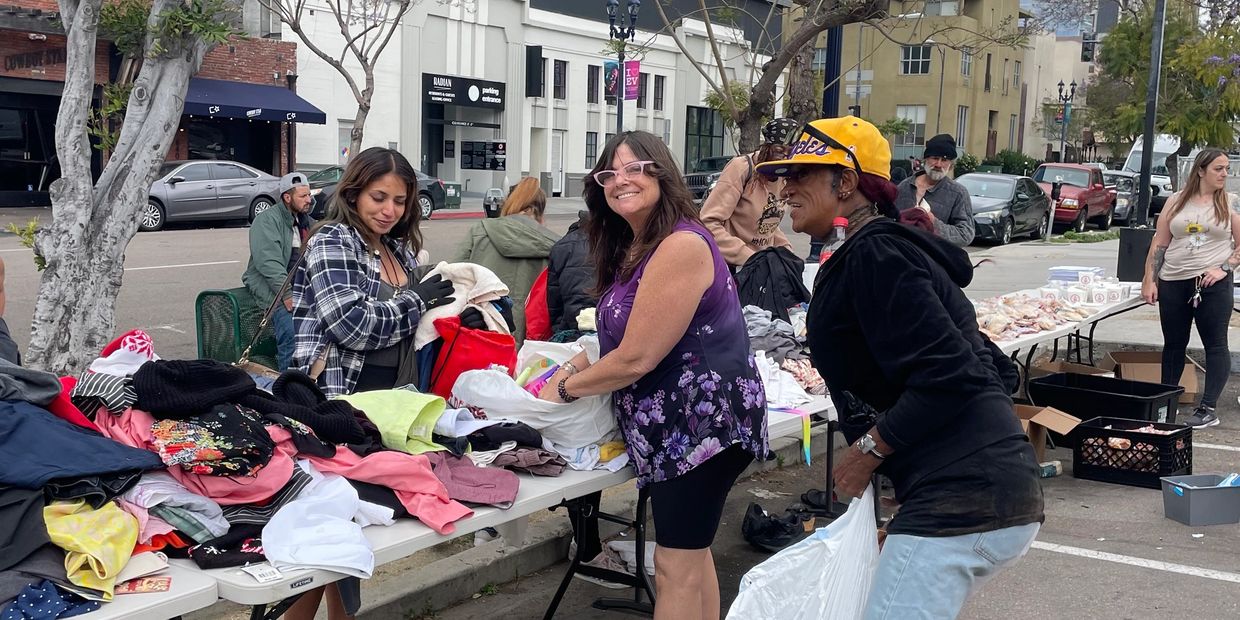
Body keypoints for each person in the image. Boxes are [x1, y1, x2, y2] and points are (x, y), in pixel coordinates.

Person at [757, 117, 1042, 618]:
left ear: (846, 182)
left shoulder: (878, 254)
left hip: (965, 500)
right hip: (973, 492)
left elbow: (954, 375)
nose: (786, 189)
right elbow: (997, 371)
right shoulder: (879, 250)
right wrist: (915, 485)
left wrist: (869, 451)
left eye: (801, 174)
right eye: (784, 177)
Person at [535, 131, 768, 620]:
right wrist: (573, 365)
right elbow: (622, 337)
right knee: (692, 555)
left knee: (672, 567)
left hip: (702, 425)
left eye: (634, 168)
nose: (621, 180)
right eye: (609, 173)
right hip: (678, 428)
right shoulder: (639, 244)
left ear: (661, 173)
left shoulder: (680, 244)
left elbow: (636, 357)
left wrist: (562, 390)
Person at [290, 146, 457, 398]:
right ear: (353, 194)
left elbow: (418, 326)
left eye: (399, 201)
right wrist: (418, 300)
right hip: (342, 396)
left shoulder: (398, 251)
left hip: (398, 396)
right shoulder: (333, 240)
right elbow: (348, 325)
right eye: (379, 198)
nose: (389, 210)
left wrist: (460, 315)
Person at [1141, 148, 1239, 429]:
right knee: (1173, 344)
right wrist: (1149, 279)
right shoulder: (1176, 201)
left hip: (1211, 284)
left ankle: (1208, 408)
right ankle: (1166, 404)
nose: (1224, 174)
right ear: (1200, 170)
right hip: (1174, 280)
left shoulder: (1230, 202)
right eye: (1218, 169)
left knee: (1215, 344)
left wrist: (1224, 268)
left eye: (1227, 168)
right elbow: (1159, 243)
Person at [453, 177, 559, 343]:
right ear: (540, 210)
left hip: (480, 334)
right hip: (532, 345)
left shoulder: (480, 231)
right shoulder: (556, 246)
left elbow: (453, 279)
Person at [699, 117, 801, 267]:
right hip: (733, 267)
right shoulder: (741, 168)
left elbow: (766, 225)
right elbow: (708, 222)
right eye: (779, 151)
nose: (785, 157)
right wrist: (751, 258)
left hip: (761, 266)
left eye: (791, 152)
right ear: (767, 148)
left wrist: (787, 253)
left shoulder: (783, 176)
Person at [243, 171, 314, 371]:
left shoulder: (306, 221)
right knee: (291, 333)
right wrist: (287, 294)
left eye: (309, 195)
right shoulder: (267, 220)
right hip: (274, 289)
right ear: (287, 197)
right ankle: (287, 382)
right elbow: (269, 263)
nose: (309, 200)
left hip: (301, 287)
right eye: (303, 196)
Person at [894, 133, 975, 246]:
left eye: (944, 160)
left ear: (951, 165)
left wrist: (933, 222)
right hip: (902, 253)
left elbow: (965, 235)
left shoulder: (958, 193)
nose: (938, 164)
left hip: (934, 256)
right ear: (926, 159)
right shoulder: (904, 187)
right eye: (935, 158)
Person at [547, 210, 597, 336]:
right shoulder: (624, 240)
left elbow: (554, 303)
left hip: (571, 330)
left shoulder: (562, 245)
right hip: (610, 330)